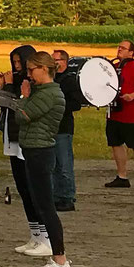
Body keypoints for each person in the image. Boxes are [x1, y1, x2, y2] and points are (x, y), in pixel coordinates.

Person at [0, 51, 71, 267]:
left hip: (41, 152)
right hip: (33, 150)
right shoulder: (42, 91)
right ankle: (57, 257)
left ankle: (60, 259)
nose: (28, 75)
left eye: (31, 70)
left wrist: (24, 96)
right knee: (40, 202)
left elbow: (23, 115)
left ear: (44, 69)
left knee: (46, 206)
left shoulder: (50, 94)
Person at [0, 45, 45, 254]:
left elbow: (21, 107)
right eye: (13, 63)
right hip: (12, 138)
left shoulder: (31, 85)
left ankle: (45, 237)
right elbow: (2, 104)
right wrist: (2, 87)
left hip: (25, 141)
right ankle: (34, 235)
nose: (16, 67)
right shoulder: (16, 83)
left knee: (33, 189)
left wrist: (7, 88)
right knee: (23, 189)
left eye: (19, 63)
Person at [104, 39, 134, 192]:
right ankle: (122, 176)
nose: (119, 50)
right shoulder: (114, 67)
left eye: (123, 48)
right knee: (116, 144)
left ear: (131, 53)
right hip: (115, 114)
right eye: (118, 47)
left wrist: (132, 96)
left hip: (133, 116)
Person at [48, 47, 84, 211]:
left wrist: (58, 106)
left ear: (65, 62)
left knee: (64, 164)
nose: (54, 63)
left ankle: (67, 196)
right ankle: (56, 195)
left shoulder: (69, 80)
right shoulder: (51, 79)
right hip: (51, 126)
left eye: (57, 60)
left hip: (63, 127)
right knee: (53, 164)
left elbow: (76, 104)